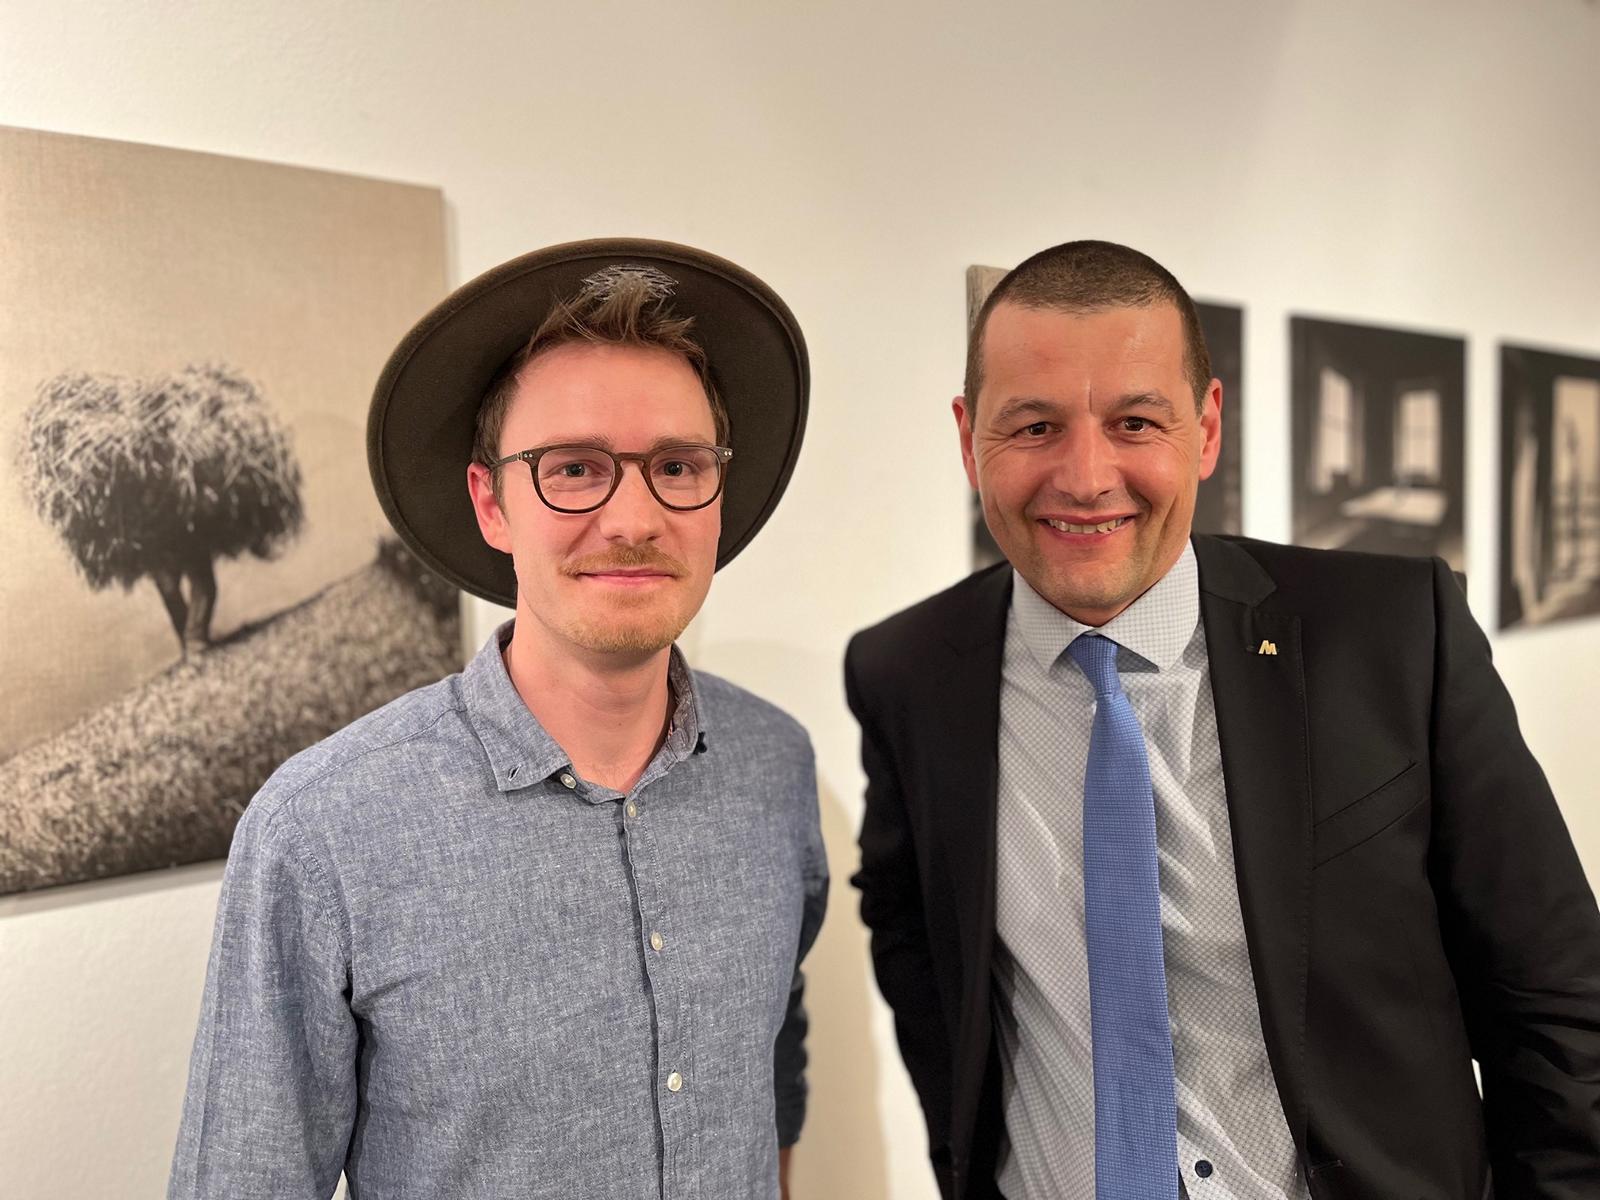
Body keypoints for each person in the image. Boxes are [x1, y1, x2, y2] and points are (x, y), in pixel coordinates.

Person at [846, 239, 1600, 1200]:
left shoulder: (1393, 635)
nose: (1085, 476)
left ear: (1205, 429)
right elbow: (920, 956)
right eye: (1034, 426)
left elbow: (1556, 1005)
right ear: (968, 439)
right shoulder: (908, 673)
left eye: (1134, 422)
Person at [169, 239, 827, 1199]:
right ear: (492, 504)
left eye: (678, 466)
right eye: (574, 468)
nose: (633, 519)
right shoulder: (322, 832)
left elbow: (777, 1057)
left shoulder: (775, 764)